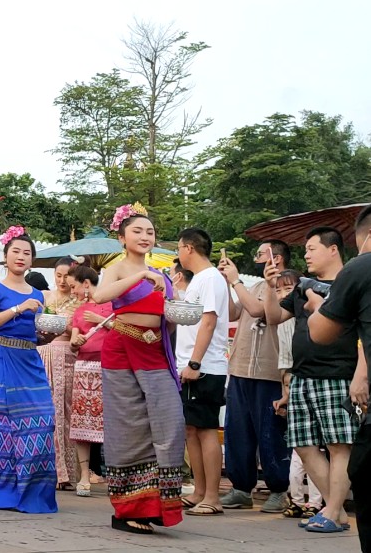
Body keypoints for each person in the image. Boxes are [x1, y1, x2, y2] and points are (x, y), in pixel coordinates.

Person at [92, 204, 185, 535]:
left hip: (156, 351)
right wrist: (140, 275)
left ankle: (157, 504)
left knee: (169, 423)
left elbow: (171, 317)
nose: (146, 236)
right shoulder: (117, 269)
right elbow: (99, 296)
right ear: (121, 238)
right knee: (128, 429)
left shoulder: (161, 276)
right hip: (122, 350)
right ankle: (128, 509)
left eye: (150, 231)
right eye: (137, 231)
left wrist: (175, 304)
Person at [264, 226, 360, 534]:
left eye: (311, 248)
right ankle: (335, 511)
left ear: (333, 249)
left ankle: (332, 511)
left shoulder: (350, 283)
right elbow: (272, 318)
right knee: (303, 444)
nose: (305, 254)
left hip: (338, 374)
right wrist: (269, 287)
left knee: (338, 445)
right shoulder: (304, 286)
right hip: (302, 374)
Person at [0, 227, 57, 512]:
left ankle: (33, 491)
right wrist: (18, 309)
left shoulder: (39, 295)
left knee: (42, 420)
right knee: (1, 424)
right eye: (16, 252)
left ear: (32, 260)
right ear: (5, 257)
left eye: (26, 253)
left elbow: (39, 333)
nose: (21, 257)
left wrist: (50, 334)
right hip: (1, 357)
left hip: (30, 360)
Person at [305, 206, 371, 547]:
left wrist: (317, 305)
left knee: (350, 455)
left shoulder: (359, 268)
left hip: (341, 378)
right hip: (311, 376)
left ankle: (333, 509)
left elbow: (322, 332)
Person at [217, 240, 292, 513]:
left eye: (260, 254)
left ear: (277, 257)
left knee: (271, 432)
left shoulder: (289, 285)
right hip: (240, 368)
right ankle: (241, 488)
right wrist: (226, 282)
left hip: (270, 372)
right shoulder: (256, 286)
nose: (256, 259)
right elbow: (233, 312)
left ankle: (278, 488)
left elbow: (259, 311)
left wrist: (236, 280)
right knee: (239, 431)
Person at [174, 228, 230, 517]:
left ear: (189, 248)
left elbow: (209, 322)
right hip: (190, 365)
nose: (179, 254)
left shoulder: (209, 278)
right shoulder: (200, 281)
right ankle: (198, 490)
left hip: (205, 367)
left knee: (206, 429)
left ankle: (212, 496)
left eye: (179, 248)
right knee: (191, 430)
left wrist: (195, 363)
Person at [271, 270, 324, 520]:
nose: (284, 294)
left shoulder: (303, 312)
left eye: (288, 288)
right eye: (279, 289)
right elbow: (284, 361)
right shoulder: (284, 315)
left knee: (313, 451)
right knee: (299, 451)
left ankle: (315, 502)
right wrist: (285, 392)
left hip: (305, 375)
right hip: (291, 378)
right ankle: (296, 499)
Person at [66, 265, 113, 496]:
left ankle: (116, 475)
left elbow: (124, 330)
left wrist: (100, 318)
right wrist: (76, 341)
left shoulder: (113, 305)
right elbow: (74, 340)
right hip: (84, 368)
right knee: (83, 423)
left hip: (111, 368)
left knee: (113, 424)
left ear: (86, 284)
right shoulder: (79, 311)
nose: (71, 291)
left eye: (74, 286)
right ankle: (84, 475)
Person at [38, 257, 80, 489]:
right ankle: (46, 468)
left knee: (65, 411)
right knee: (45, 411)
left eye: (67, 276)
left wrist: (64, 326)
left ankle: (67, 473)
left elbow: (82, 330)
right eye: (59, 275)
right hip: (43, 354)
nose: (63, 280)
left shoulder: (79, 301)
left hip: (66, 356)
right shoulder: (45, 296)